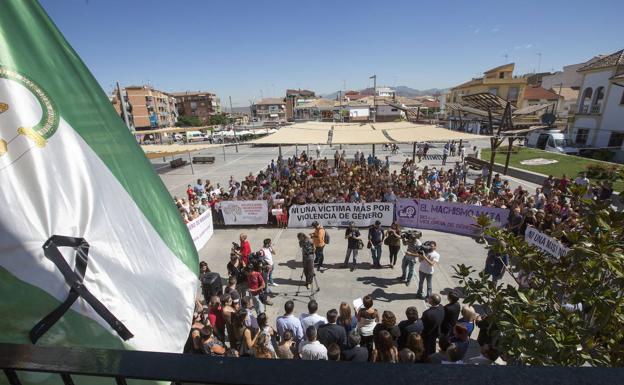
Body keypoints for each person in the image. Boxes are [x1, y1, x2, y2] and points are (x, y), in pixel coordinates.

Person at [356, 295, 379, 359]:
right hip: (371, 331)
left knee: (362, 344)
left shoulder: (361, 311)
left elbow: (358, 319)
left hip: (362, 331)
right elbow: (377, 320)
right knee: (370, 344)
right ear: (372, 303)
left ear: (363, 304)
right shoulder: (375, 311)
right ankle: (369, 357)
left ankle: (363, 356)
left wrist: (356, 311)